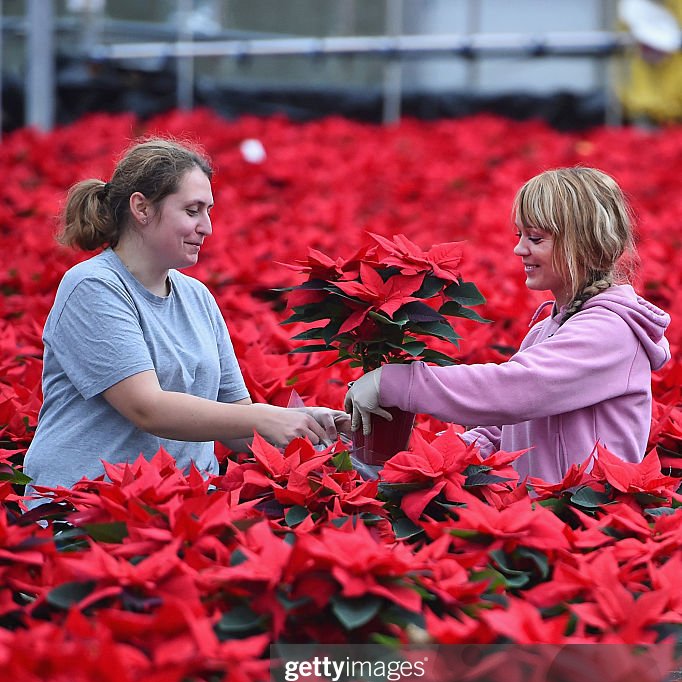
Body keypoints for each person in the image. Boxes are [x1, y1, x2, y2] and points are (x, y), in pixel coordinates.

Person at [23, 137, 349, 498]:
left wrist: (307, 423)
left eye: (208, 211)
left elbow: (234, 423)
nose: (207, 227)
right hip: (83, 508)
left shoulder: (197, 298)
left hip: (175, 505)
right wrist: (264, 417)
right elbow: (148, 408)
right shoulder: (92, 287)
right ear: (141, 208)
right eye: (192, 211)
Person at [345, 166, 671, 484]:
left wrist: (396, 383)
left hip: (587, 522)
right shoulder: (547, 329)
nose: (519, 249)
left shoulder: (609, 331)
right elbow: (506, 431)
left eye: (535, 238)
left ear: (585, 246)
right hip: (547, 517)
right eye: (520, 235)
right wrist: (417, 454)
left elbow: (515, 390)